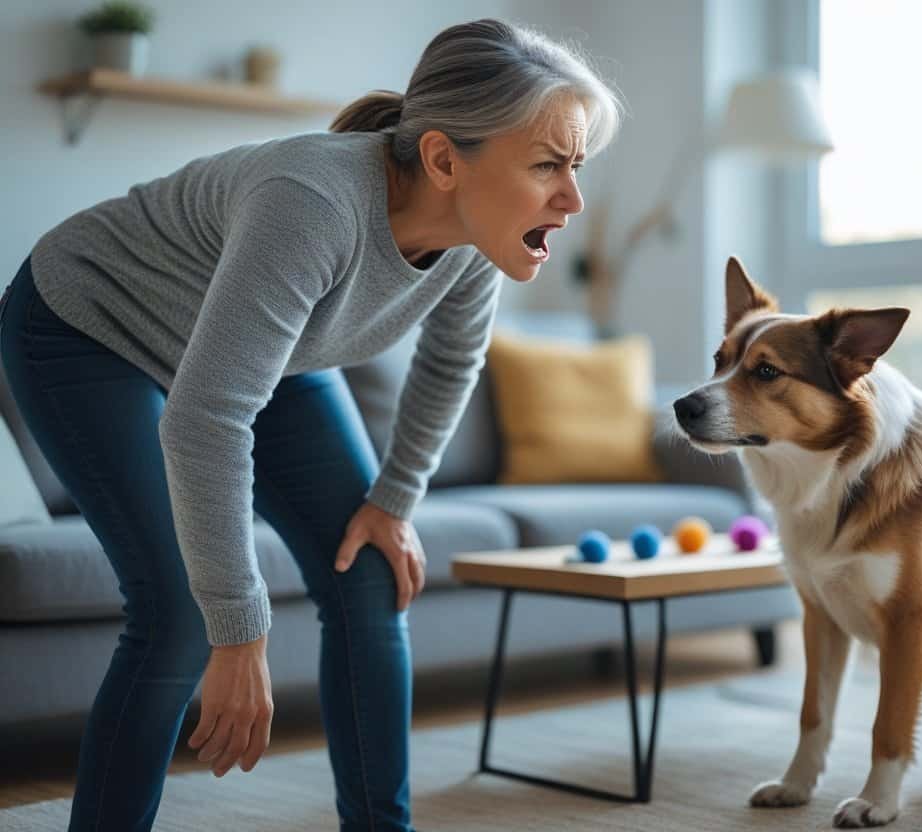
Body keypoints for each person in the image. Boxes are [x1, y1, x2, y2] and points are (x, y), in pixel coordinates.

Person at [0, 18, 620, 832]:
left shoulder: (479, 241)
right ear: (442, 159)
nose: (572, 198)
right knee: (180, 613)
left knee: (368, 570)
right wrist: (241, 627)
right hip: (85, 325)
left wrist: (394, 501)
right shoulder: (312, 202)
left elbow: (448, 364)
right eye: (547, 166)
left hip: (265, 357)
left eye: (575, 166)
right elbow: (207, 421)